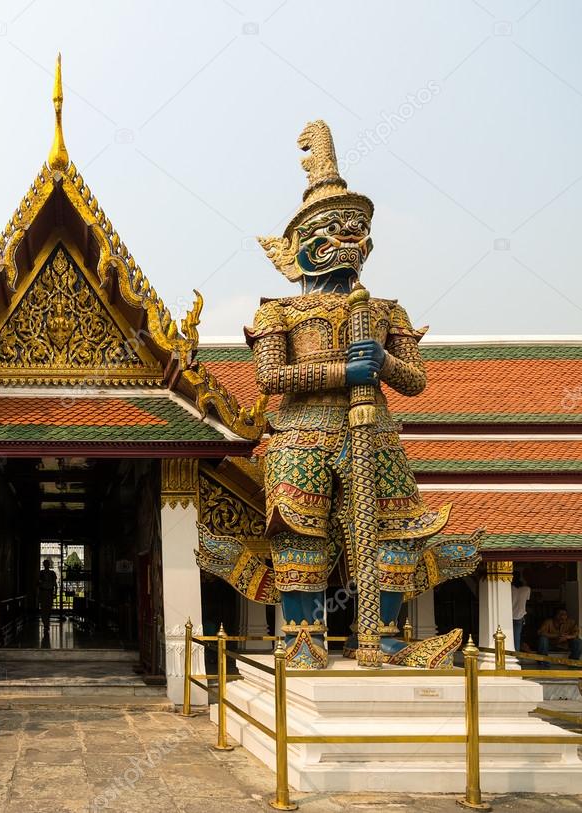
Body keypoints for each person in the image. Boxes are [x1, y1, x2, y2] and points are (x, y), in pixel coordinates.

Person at [240, 120, 476, 669]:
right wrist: (345, 371)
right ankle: (302, 635)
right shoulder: (279, 310)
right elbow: (271, 378)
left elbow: (415, 380)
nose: (347, 236)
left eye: (355, 227)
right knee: (300, 534)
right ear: (296, 247)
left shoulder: (387, 310)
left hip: (375, 433)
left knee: (396, 532)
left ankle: (387, 637)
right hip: (302, 435)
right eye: (331, 227)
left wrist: (383, 360)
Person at [510, 573, 530, 653]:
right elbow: (527, 599)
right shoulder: (527, 589)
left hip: (508, 615)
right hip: (520, 616)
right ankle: (516, 656)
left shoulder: (509, 588)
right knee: (517, 637)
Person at [38, 559, 58, 628]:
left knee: (48, 608)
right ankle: (45, 622)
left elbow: (55, 584)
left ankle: (46, 621)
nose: (46, 565)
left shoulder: (51, 573)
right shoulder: (42, 573)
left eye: (47, 564)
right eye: (45, 563)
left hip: (48, 592)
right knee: (44, 608)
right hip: (45, 592)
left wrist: (55, 592)